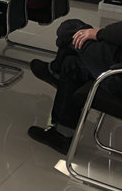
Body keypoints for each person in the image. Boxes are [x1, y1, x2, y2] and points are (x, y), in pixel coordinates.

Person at [28, 19, 122, 155]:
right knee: (71, 64)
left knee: (70, 29)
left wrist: (97, 34)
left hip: (117, 75)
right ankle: (63, 135)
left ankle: (55, 72)